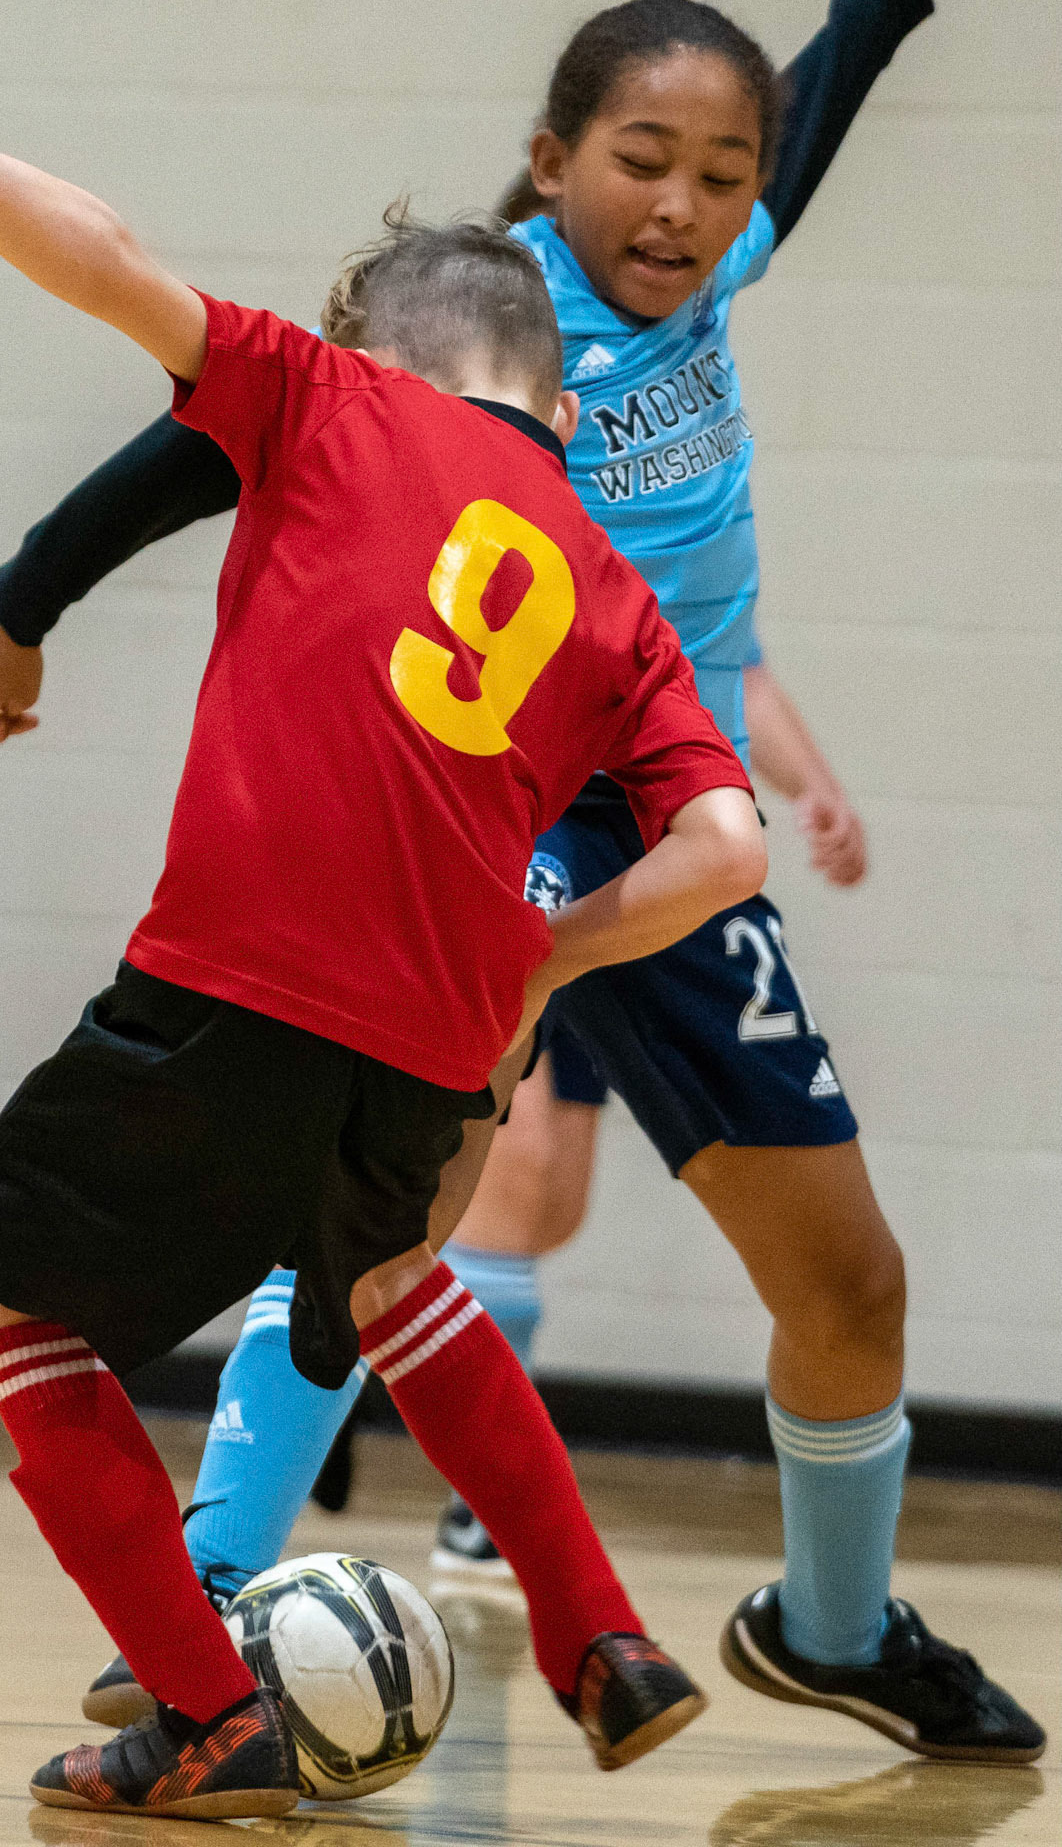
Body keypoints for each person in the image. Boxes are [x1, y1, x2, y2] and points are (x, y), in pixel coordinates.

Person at [0, 0, 1044, 1768]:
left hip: (671, 811)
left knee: (850, 1276)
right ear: (551, 161)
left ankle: (833, 1620)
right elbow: (189, 441)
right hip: (503, 813)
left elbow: (815, 116)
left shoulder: (721, 258)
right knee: (370, 1208)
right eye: (644, 160)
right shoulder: (476, 325)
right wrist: (25, 601)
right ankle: (208, 1593)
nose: (685, 205)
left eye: (719, 175)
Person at [0, 60, 769, 1813]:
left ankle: (208, 1715)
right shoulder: (610, 584)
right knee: (384, 1277)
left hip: (240, 978)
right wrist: (541, 957)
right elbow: (724, 847)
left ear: (390, 350)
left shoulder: (324, 393)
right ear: (563, 406)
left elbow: (103, 253)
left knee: (9, 1295)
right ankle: (601, 1632)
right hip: (439, 1039)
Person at [431, 642, 869, 1579]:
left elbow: (736, 657)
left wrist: (813, 787)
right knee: (503, 1183)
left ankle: (370, 1370)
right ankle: (469, 1485)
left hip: (647, 866)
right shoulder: (544, 511)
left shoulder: (690, 518)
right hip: (526, 825)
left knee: (549, 1203)